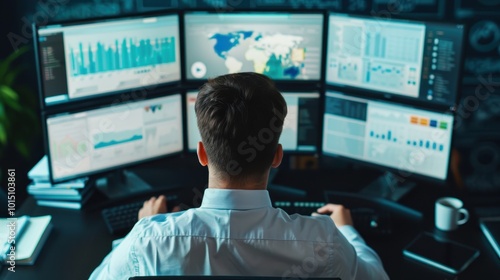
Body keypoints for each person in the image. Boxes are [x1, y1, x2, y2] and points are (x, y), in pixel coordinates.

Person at [90, 73, 389, 279]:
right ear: (276, 156)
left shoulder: (150, 241)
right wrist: (348, 231)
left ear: (202, 154)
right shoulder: (325, 242)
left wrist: (141, 226)